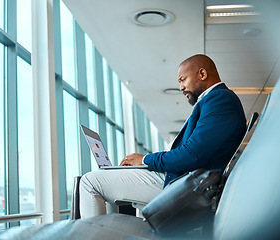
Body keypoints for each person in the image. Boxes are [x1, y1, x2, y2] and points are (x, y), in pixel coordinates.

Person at [79, 54, 247, 218]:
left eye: (182, 80)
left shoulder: (220, 99)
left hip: (184, 184)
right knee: (107, 181)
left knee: (89, 182)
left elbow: (192, 155)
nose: (181, 87)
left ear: (202, 74)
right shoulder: (214, 100)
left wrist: (145, 160)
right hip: (184, 179)